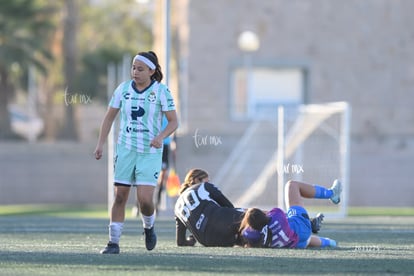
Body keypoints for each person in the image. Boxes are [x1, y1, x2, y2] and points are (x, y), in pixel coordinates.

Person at [94, 51, 178, 254]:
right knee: (120, 196)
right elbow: (109, 118)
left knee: (145, 201)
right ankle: (113, 243)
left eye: (140, 69)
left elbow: (174, 121)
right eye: (133, 68)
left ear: (151, 71)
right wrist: (100, 144)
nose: (135, 72)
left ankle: (148, 227)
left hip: (149, 153)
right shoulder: (123, 89)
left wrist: (160, 137)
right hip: (125, 151)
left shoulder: (161, 91)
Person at [239, 179, 342, 249]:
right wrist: (244, 210)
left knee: (304, 238)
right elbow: (278, 215)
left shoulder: (255, 237)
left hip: (294, 243)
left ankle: (330, 242)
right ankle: (331, 193)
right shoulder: (276, 215)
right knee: (291, 185)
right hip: (301, 226)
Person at [174, 168, 245, 247]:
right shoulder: (204, 186)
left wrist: (192, 239)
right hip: (221, 224)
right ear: (197, 180)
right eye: (207, 181)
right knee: (250, 213)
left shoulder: (177, 207)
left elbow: (180, 242)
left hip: (208, 241)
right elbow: (229, 206)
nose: (208, 183)